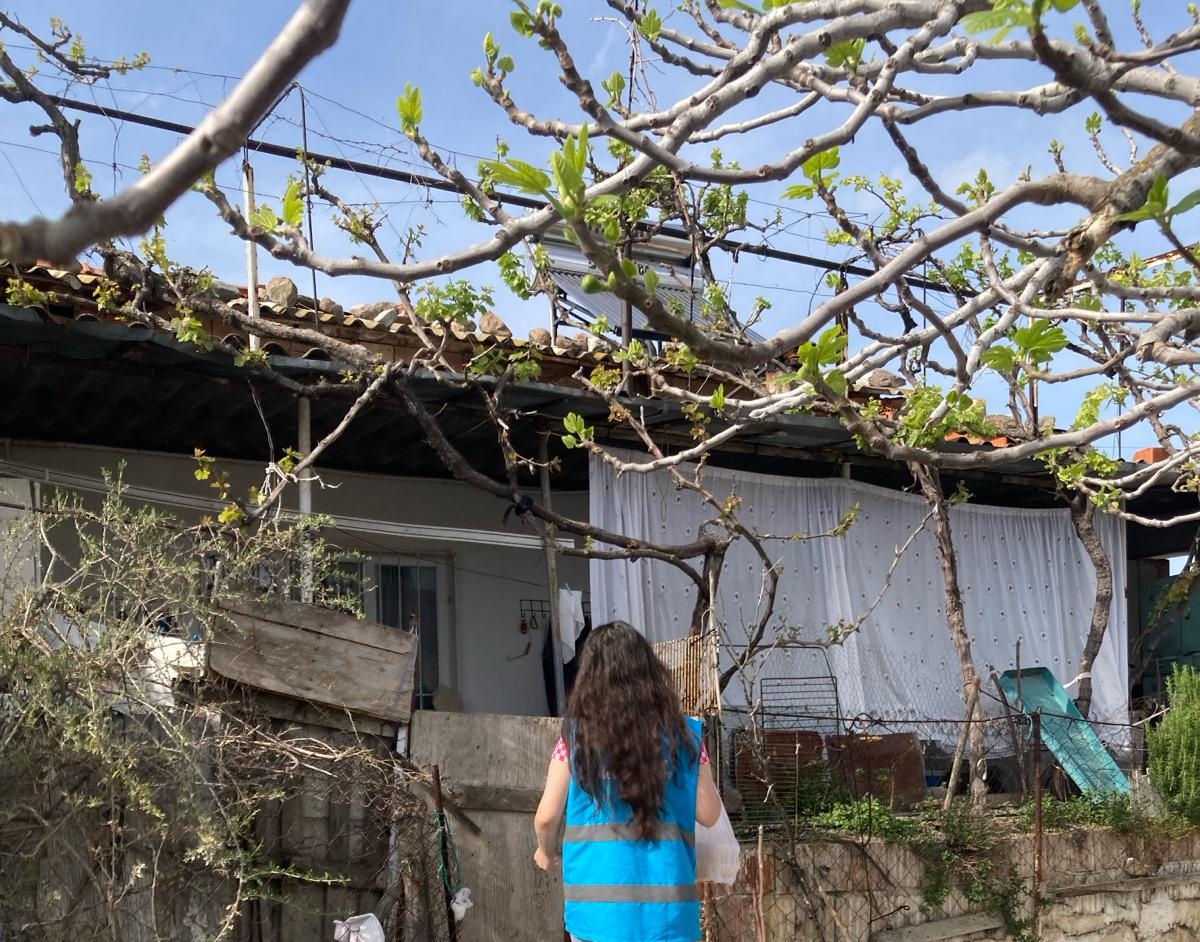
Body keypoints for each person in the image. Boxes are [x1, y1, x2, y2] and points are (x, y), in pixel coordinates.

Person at [532, 620, 723, 942]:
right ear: (651, 674)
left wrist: (544, 852)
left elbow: (547, 817)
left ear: (590, 677)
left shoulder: (575, 736)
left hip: (596, 914)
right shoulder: (686, 735)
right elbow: (709, 813)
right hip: (669, 913)